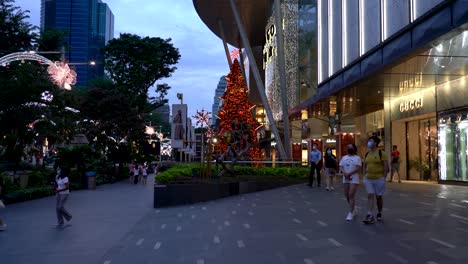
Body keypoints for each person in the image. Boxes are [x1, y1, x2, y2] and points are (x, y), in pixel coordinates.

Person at [362, 136, 389, 224]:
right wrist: (364, 175)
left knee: (378, 197)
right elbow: (364, 165)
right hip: (368, 178)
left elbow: (386, 166)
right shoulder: (367, 154)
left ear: (375, 143)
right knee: (370, 195)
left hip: (379, 179)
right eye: (369, 140)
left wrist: (383, 178)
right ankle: (370, 214)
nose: (369, 142)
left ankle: (379, 212)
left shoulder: (382, 153)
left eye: (371, 141)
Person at [340, 144, 362, 221]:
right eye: (348, 147)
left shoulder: (357, 158)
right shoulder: (344, 157)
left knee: (351, 194)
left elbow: (358, 168)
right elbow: (341, 166)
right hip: (345, 178)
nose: (349, 148)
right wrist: (345, 173)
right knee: (346, 195)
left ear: (354, 149)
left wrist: (350, 173)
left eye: (351, 147)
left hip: (354, 178)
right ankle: (353, 207)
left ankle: (350, 213)